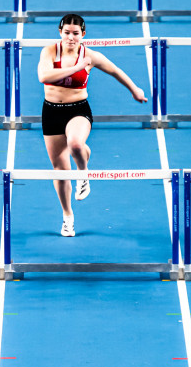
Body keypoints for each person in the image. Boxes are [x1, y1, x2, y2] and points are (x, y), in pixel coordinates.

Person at [38, 14, 148, 238]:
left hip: (77, 109)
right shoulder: (49, 51)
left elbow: (115, 71)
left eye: (75, 33)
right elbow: (44, 76)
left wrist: (135, 89)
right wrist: (77, 67)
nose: (71, 37)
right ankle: (68, 216)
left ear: (83, 34)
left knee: (76, 144)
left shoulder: (91, 55)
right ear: (60, 32)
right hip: (51, 112)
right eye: (67, 33)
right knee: (60, 171)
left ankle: (83, 174)